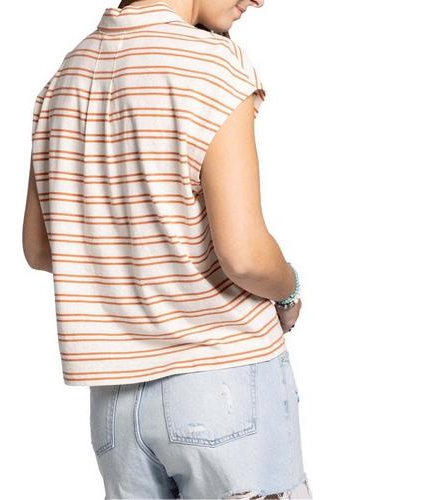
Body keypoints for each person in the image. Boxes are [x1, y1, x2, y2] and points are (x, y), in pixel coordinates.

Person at [22, 1, 312, 498]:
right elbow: (245, 256)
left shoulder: (68, 74)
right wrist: (289, 290)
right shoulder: (211, 64)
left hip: (115, 403)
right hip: (222, 380)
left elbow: (40, 247)